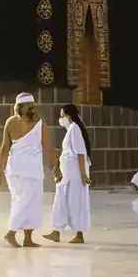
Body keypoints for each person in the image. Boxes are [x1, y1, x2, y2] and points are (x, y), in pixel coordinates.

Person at [0, 92, 57, 248]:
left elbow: (46, 148)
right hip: (20, 170)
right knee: (24, 201)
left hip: (25, 170)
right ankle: (11, 232)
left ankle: (28, 239)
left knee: (28, 203)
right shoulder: (19, 124)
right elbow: (5, 148)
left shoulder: (36, 125)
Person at [45, 104, 92, 244]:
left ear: (68, 115)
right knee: (61, 200)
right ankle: (56, 231)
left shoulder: (75, 129)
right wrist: (57, 167)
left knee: (75, 202)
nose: (60, 119)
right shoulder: (70, 129)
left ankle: (79, 234)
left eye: (62, 116)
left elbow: (80, 154)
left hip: (75, 173)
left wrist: (83, 174)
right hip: (67, 172)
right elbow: (65, 152)